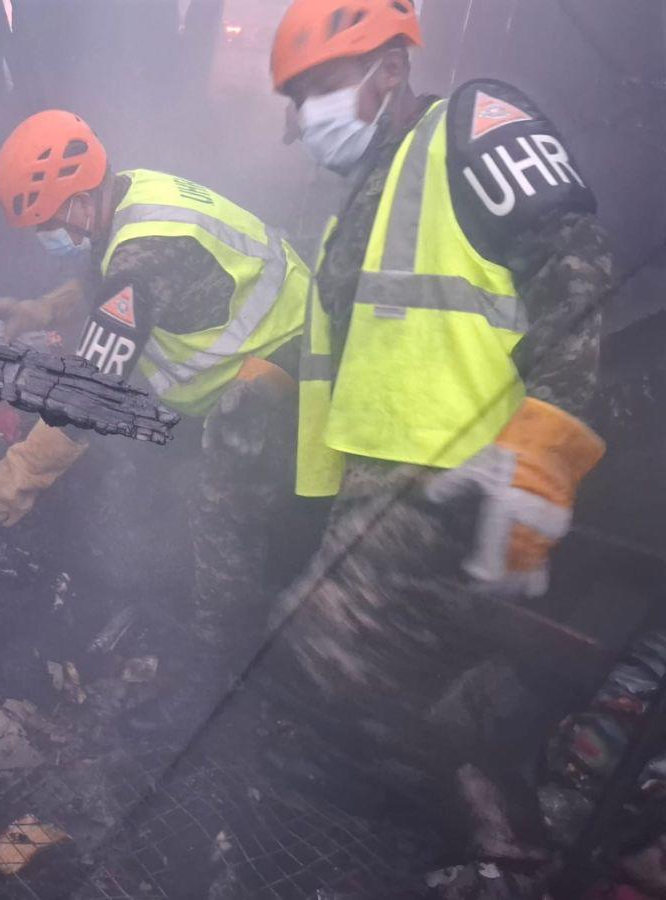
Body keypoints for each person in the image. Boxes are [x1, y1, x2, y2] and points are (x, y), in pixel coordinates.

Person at [262, 0, 616, 891]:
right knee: (336, 663)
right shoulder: (364, 194)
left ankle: (507, 840)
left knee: (332, 658)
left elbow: (573, 264)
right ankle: (472, 820)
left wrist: (549, 444)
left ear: (389, 68)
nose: (307, 115)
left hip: (459, 475)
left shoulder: (470, 124)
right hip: (379, 483)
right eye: (296, 97)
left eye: (321, 87)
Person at [0, 109, 312, 723]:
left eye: (46, 223)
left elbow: (95, 392)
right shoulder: (125, 193)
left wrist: (20, 473)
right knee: (143, 475)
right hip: (260, 341)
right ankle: (158, 580)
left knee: (218, 506)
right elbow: (107, 279)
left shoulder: (144, 252)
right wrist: (43, 310)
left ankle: (219, 666)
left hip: (284, 361)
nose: (46, 236)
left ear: (77, 202)